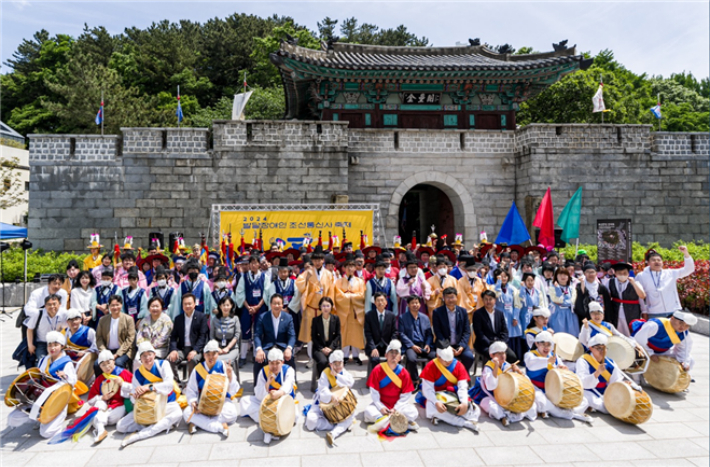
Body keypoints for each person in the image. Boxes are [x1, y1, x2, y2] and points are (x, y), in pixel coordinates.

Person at [7, 331, 77, 439]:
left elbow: (73, 381)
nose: (52, 348)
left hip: (57, 397)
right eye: (49, 345)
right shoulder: (44, 359)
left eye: (55, 345)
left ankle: (54, 417)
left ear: (62, 346)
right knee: (13, 417)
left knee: (46, 433)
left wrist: (65, 376)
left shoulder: (66, 362)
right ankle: (38, 415)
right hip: (39, 395)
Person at [117, 342, 183, 446]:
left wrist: (149, 387)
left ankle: (142, 434)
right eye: (144, 355)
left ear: (154, 354)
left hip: (166, 404)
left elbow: (169, 385)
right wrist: (136, 395)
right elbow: (133, 398)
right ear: (141, 359)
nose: (147, 358)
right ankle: (156, 426)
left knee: (178, 413)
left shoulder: (163, 365)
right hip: (146, 407)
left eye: (150, 354)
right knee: (120, 426)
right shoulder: (138, 373)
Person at [524, 331, 591, 422]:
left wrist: (562, 368)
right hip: (537, 388)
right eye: (543, 344)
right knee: (544, 403)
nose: (546, 347)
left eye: (549, 344)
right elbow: (532, 364)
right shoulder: (530, 355)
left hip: (554, 389)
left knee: (583, 400)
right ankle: (569, 413)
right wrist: (547, 361)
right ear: (536, 343)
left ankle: (569, 412)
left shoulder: (554, 356)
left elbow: (562, 368)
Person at [416, 341, 479, 431]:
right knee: (431, 407)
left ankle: (446, 417)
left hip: (454, 395)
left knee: (476, 409)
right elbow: (427, 389)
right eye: (446, 361)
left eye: (450, 361)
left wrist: (464, 403)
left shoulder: (458, 365)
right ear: (438, 356)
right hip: (438, 396)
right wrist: (436, 402)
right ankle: (464, 422)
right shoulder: (431, 366)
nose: (448, 363)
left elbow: (462, 387)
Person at [470, 341, 536, 426]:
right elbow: (491, 386)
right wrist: (496, 367)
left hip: (506, 395)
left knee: (530, 404)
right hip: (491, 395)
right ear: (492, 355)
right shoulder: (488, 368)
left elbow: (519, 381)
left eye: (504, 353)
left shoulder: (507, 365)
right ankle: (503, 417)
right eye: (499, 354)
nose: (503, 356)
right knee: (488, 404)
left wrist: (518, 371)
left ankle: (512, 414)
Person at [239, 348, 297, 444]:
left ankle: (267, 423)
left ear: (282, 362)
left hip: (284, 403)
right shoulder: (263, 371)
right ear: (268, 362)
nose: (274, 366)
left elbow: (288, 385)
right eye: (272, 363)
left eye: (277, 363)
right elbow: (257, 393)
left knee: (296, 416)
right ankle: (269, 423)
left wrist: (279, 393)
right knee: (244, 401)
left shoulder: (288, 370)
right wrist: (267, 385)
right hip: (267, 401)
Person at [183, 340, 240, 436]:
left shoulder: (223, 366)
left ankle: (200, 422)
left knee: (232, 414)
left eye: (214, 354)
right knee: (186, 413)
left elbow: (234, 391)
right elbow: (191, 390)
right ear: (204, 355)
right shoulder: (198, 369)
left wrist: (230, 376)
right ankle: (219, 427)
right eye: (208, 354)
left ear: (218, 354)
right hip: (203, 405)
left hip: (221, 403)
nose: (211, 357)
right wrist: (193, 401)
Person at [575, 334, 640, 414]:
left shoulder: (611, 362)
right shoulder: (583, 360)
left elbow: (615, 381)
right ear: (591, 348)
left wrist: (623, 384)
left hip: (604, 392)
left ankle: (592, 406)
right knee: (605, 407)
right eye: (599, 348)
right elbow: (582, 382)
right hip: (587, 391)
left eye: (604, 348)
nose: (602, 351)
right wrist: (597, 373)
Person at [364, 339, 419, 431]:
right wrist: (381, 407)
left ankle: (384, 422)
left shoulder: (404, 373)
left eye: (396, 353)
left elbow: (406, 395)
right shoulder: (377, 369)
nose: (393, 355)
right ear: (386, 355)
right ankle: (398, 422)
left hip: (398, 406)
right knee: (368, 411)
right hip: (382, 404)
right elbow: (374, 393)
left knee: (413, 412)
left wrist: (396, 409)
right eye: (391, 352)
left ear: (400, 357)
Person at [305, 349, 356, 446]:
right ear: (330, 364)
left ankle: (333, 433)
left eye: (339, 363)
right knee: (310, 423)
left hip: (341, 405)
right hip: (323, 404)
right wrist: (331, 396)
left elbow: (351, 382)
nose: (337, 366)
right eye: (335, 364)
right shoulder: (325, 373)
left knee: (351, 413)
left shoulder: (344, 372)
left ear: (343, 363)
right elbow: (322, 390)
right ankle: (338, 424)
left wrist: (337, 376)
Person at [87, 349, 133, 443]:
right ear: (100, 367)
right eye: (103, 365)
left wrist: (122, 384)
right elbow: (90, 400)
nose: (107, 367)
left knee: (99, 418)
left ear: (114, 361)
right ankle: (101, 430)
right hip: (105, 405)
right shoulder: (100, 379)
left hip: (120, 405)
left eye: (109, 363)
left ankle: (99, 426)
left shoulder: (123, 373)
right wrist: (102, 398)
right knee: (99, 403)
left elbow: (136, 388)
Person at [636, 246, 694, 319]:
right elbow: (639, 296)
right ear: (648, 262)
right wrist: (644, 311)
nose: (657, 262)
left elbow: (689, 269)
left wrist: (686, 253)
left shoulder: (670, 273)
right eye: (653, 260)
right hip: (654, 313)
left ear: (662, 262)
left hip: (673, 312)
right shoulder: (641, 276)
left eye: (659, 260)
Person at [236, 255, 272, 367]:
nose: (253, 265)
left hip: (260, 308)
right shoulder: (244, 277)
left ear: (259, 265)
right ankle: (242, 356)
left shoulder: (264, 277)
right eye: (251, 263)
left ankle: (257, 355)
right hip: (247, 308)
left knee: (258, 331)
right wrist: (248, 307)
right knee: (245, 331)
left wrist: (257, 307)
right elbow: (240, 293)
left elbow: (267, 293)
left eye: (255, 263)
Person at [253, 293, 297, 383]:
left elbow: (292, 335)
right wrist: (259, 349)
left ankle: (292, 384)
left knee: (290, 358)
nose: (277, 306)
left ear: (282, 305)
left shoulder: (288, 317)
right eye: (274, 303)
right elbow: (257, 335)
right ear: (270, 305)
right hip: (268, 347)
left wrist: (289, 348)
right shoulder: (263, 317)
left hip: (282, 346)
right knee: (259, 360)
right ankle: (257, 387)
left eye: (279, 303)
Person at [168, 293, 210, 379]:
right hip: (182, 349)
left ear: (194, 304)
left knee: (193, 360)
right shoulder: (178, 319)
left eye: (189, 303)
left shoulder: (201, 317)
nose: (187, 306)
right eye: (185, 304)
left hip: (196, 349)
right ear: (182, 305)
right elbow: (173, 337)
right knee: (169, 360)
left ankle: (191, 384)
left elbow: (203, 336)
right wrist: (173, 350)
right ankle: (176, 382)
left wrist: (195, 350)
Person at [432, 287, 474, 371]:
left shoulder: (463, 311)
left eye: (452, 297)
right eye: (447, 297)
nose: (450, 300)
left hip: (460, 345)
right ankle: (447, 378)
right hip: (444, 344)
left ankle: (463, 376)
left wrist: (462, 346)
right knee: (442, 357)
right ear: (443, 298)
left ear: (456, 297)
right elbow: (438, 332)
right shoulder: (437, 312)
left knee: (469, 357)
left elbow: (466, 331)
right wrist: (448, 346)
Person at [334, 259, 366, 365]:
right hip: (343, 311)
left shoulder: (360, 281)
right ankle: (345, 355)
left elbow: (362, 295)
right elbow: (338, 295)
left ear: (355, 268)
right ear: (344, 268)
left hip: (356, 310)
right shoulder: (338, 281)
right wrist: (351, 296)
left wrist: (348, 295)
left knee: (356, 332)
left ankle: (356, 355)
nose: (350, 268)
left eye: (352, 266)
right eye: (347, 266)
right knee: (344, 332)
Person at [398, 295, 435, 385]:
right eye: (412, 303)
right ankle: (415, 379)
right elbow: (401, 334)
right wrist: (412, 346)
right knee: (411, 359)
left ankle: (429, 378)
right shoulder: (403, 318)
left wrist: (427, 344)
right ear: (408, 305)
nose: (415, 305)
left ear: (420, 304)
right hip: (411, 345)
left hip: (423, 344)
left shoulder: (425, 318)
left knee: (434, 356)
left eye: (417, 302)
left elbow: (429, 334)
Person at [95, 295, 135, 374]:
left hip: (124, 351)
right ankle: (100, 385)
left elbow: (130, 338)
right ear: (109, 306)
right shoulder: (103, 320)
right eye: (112, 305)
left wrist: (117, 354)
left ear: (121, 305)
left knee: (118, 363)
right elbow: (99, 338)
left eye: (117, 305)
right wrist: (104, 352)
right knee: (97, 364)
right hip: (107, 351)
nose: (115, 307)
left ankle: (121, 385)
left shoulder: (128, 319)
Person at [472, 290, 516, 363]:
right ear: (483, 300)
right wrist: (492, 344)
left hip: (499, 343)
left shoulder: (500, 313)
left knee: (512, 357)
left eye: (490, 299)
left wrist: (502, 343)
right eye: (486, 299)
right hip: (485, 344)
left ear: (494, 300)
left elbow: (504, 331)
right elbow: (479, 334)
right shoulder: (478, 314)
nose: (488, 301)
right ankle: (492, 373)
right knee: (495, 357)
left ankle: (503, 373)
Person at [25, 293, 68, 361]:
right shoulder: (38, 314)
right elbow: (29, 329)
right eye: (49, 304)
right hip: (42, 343)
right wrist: (30, 345)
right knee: (42, 361)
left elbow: (67, 329)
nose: (52, 306)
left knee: (60, 360)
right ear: (45, 305)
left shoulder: (64, 314)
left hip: (57, 342)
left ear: (60, 304)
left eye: (54, 304)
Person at [608, 262, 646, 337]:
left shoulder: (635, 282)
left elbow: (642, 296)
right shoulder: (610, 282)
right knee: (617, 333)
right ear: (615, 273)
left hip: (632, 312)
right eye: (619, 273)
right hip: (616, 312)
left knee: (632, 332)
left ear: (628, 273)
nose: (622, 275)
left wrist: (633, 283)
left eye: (624, 273)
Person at [493, 268, 524, 360]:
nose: (504, 278)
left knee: (512, 336)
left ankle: (513, 358)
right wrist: (498, 284)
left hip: (510, 315)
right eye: (501, 277)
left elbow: (517, 304)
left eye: (505, 276)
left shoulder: (513, 289)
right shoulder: (494, 287)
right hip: (499, 315)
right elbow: (496, 296)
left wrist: (515, 317)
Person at [364, 292, 399, 370]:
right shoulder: (369, 315)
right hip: (374, 346)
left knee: (392, 358)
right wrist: (373, 348)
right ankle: (376, 380)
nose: (380, 302)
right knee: (375, 359)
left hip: (388, 345)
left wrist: (391, 347)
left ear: (386, 302)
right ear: (375, 302)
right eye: (378, 300)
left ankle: (390, 378)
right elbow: (368, 333)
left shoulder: (391, 315)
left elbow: (394, 333)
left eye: (382, 300)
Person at [135, 296, 174, 367]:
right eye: (152, 306)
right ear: (149, 308)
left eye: (157, 306)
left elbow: (163, 338)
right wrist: (143, 347)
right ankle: (139, 377)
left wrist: (150, 348)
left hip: (159, 349)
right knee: (137, 360)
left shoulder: (166, 320)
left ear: (161, 307)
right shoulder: (144, 320)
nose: (155, 308)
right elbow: (139, 336)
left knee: (149, 360)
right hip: (144, 349)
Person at [574, 263, 612, 327]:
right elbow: (578, 301)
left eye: (592, 272)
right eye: (588, 272)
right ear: (584, 274)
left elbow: (607, 304)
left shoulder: (601, 288)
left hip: (599, 316)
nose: (590, 274)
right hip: (585, 317)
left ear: (596, 273)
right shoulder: (580, 286)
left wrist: (608, 318)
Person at [457, 257, 489, 334]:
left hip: (479, 309)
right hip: (467, 311)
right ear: (466, 270)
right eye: (470, 270)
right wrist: (471, 309)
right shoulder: (460, 281)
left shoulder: (480, 281)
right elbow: (461, 297)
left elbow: (485, 294)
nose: (472, 272)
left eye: (474, 270)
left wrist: (485, 285)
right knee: (468, 331)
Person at [311, 297, 342, 377]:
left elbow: (338, 335)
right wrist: (322, 348)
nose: (325, 308)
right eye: (323, 306)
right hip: (319, 348)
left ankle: (335, 380)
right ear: (320, 307)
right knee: (323, 361)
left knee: (335, 360)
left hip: (332, 347)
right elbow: (313, 337)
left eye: (328, 306)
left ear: (331, 307)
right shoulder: (315, 320)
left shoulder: (336, 319)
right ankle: (322, 380)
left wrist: (330, 348)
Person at [210, 295, 241, 370]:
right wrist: (217, 348)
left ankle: (229, 380)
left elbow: (237, 335)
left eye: (228, 305)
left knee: (225, 361)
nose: (225, 307)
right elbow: (212, 337)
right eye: (223, 305)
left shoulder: (235, 319)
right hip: (218, 349)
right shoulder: (215, 319)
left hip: (231, 349)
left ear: (231, 306)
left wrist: (228, 348)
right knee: (212, 360)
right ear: (220, 306)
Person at [548, 268, 578, 336]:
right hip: (557, 314)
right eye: (560, 274)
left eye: (565, 274)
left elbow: (572, 301)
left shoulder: (571, 288)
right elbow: (555, 300)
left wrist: (563, 302)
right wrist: (558, 288)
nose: (563, 276)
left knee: (571, 335)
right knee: (557, 334)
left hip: (570, 314)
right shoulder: (552, 288)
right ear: (556, 276)